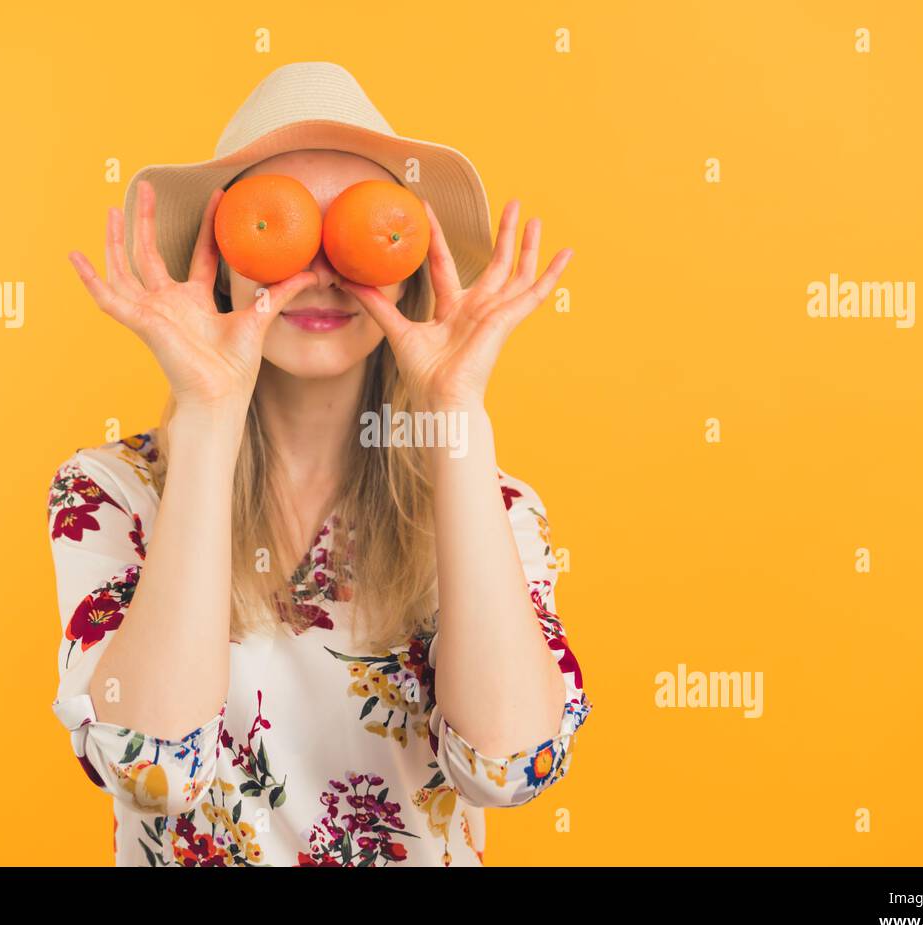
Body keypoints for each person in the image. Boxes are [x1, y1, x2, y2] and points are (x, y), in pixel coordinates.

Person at [49, 61, 591, 866]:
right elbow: (150, 771)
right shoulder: (110, 492)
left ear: (404, 271)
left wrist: (457, 414)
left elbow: (511, 769)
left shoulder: (491, 501)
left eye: (358, 229)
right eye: (283, 226)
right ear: (222, 262)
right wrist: (206, 414)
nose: (323, 270)